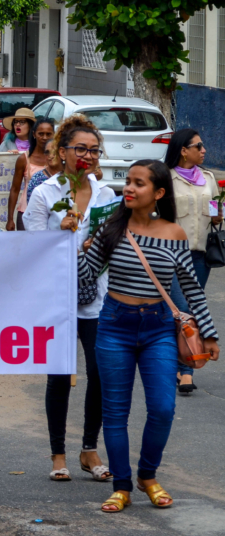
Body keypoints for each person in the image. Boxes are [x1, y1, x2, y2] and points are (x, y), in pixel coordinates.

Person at [79, 160, 219, 513]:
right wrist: (78, 246)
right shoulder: (111, 229)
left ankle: (148, 475)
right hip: (114, 326)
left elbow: (191, 288)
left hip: (158, 329)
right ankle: (122, 485)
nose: (128, 188)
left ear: (157, 193)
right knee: (115, 413)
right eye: (127, 182)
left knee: (162, 408)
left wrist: (209, 334)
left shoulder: (174, 233)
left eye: (138, 183)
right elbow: (83, 281)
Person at [24, 115, 117, 483]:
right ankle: (58, 453)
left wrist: (102, 244)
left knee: (100, 374)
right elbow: (29, 248)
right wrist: (59, 237)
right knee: (61, 376)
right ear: (62, 152)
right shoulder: (46, 193)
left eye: (94, 150)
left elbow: (118, 245)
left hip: (98, 298)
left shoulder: (107, 195)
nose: (88, 156)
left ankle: (89, 449)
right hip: (59, 299)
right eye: (81, 149)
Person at [164, 128, 222, 395]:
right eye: (198, 146)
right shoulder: (166, 179)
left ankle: (179, 363)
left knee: (192, 309)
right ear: (183, 150)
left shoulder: (209, 180)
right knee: (183, 308)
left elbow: (215, 214)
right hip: (173, 255)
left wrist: (219, 215)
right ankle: (185, 370)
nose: (203, 150)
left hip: (200, 256)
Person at [6, 116, 56, 231]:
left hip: (52, 213)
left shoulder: (59, 160)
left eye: (48, 134)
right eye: (41, 134)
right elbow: (14, 189)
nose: (44, 137)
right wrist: (10, 219)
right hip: (26, 213)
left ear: (54, 135)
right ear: (34, 134)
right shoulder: (24, 159)